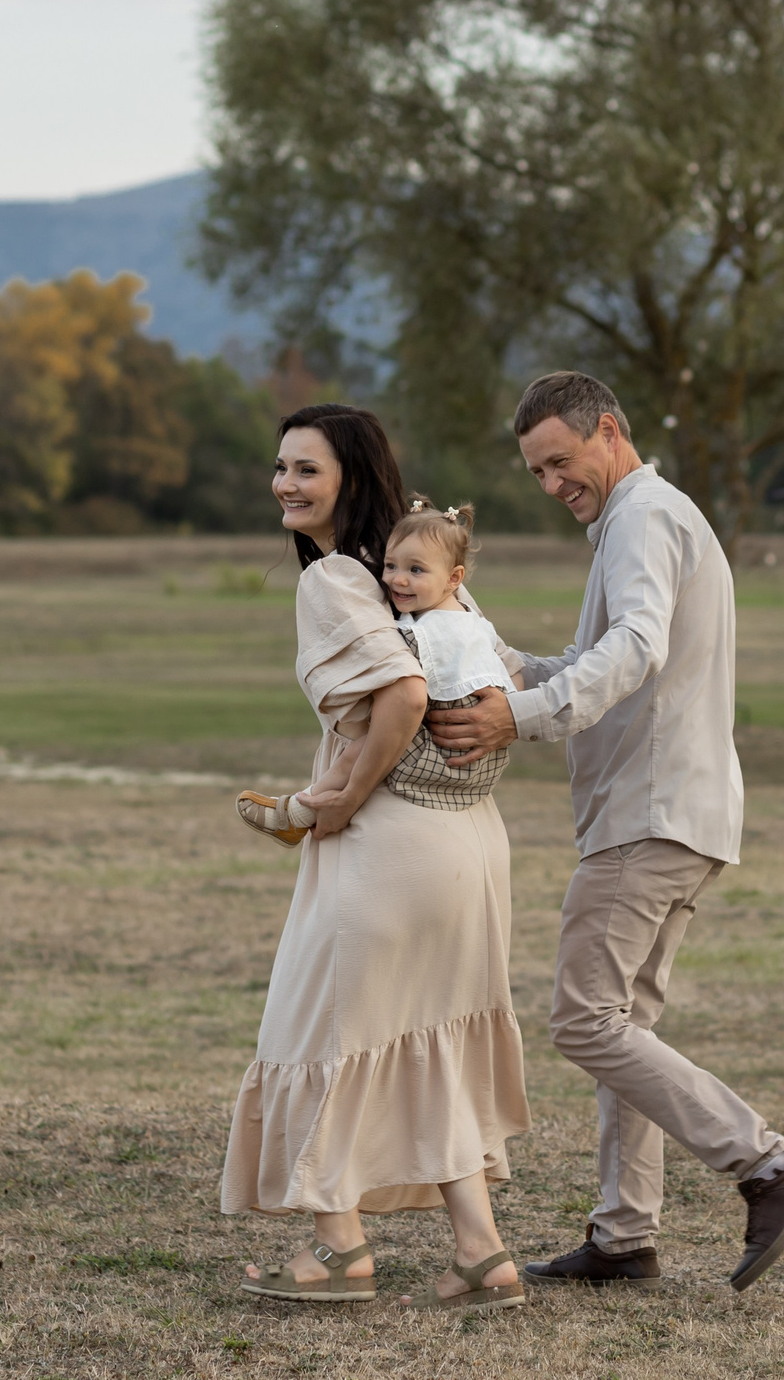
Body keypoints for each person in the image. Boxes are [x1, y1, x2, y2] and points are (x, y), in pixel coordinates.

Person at [429, 371, 784, 1292]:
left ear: (608, 431)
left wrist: (518, 717)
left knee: (584, 1019)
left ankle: (767, 1162)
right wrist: (489, 650)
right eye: (536, 471)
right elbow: (593, 658)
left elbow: (637, 647)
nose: (551, 484)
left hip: (648, 815)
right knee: (624, 1023)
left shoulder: (644, 515)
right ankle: (624, 1238)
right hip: (682, 813)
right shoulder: (641, 519)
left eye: (560, 461)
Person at [220, 404, 533, 1312]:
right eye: (281, 466)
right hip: (470, 837)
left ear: (350, 477)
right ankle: (481, 1253)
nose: (284, 484)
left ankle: (338, 1250)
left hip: (389, 842)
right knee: (430, 1039)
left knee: (322, 1031)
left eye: (306, 469)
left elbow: (402, 695)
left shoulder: (337, 581)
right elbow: (503, 676)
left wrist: (341, 800)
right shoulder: (424, 575)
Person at [261, 500, 515, 822]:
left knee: (360, 749)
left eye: (416, 570)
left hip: (441, 754)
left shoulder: (422, 633)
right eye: (391, 565)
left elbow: (401, 689)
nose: (398, 580)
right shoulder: (473, 620)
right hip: (484, 765)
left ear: (454, 579)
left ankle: (297, 813)